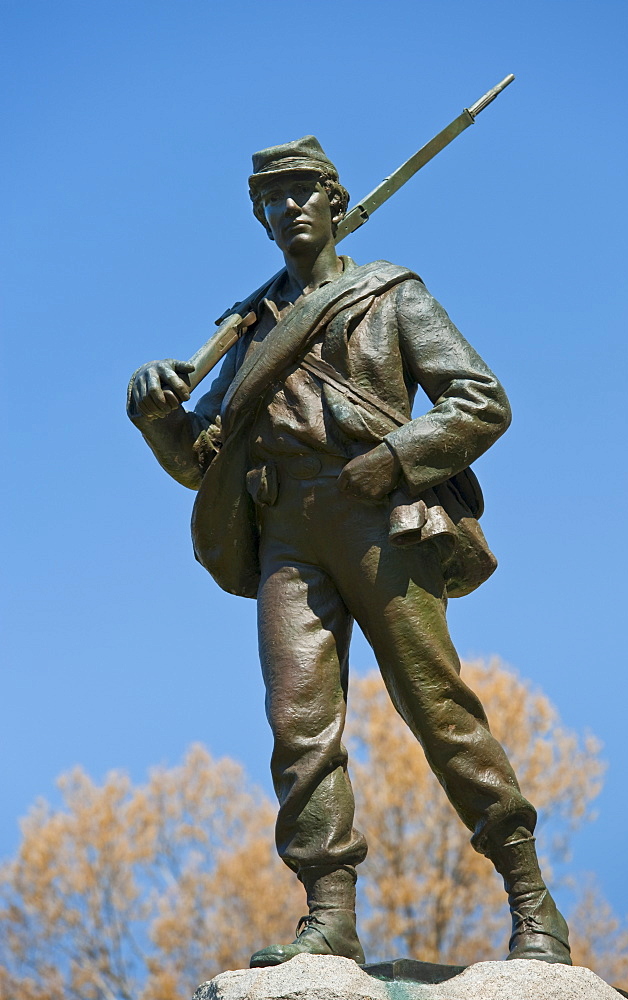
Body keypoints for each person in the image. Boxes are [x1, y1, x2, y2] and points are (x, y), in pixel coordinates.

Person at [127, 136, 571, 968]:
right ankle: (328, 914)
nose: (291, 206)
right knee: (298, 727)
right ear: (260, 219)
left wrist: (396, 460)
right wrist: (157, 414)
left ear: (336, 200)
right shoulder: (251, 329)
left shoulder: (391, 295)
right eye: (274, 197)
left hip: (379, 518)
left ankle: (533, 903)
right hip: (285, 532)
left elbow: (481, 400)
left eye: (305, 191)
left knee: (437, 710)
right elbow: (201, 459)